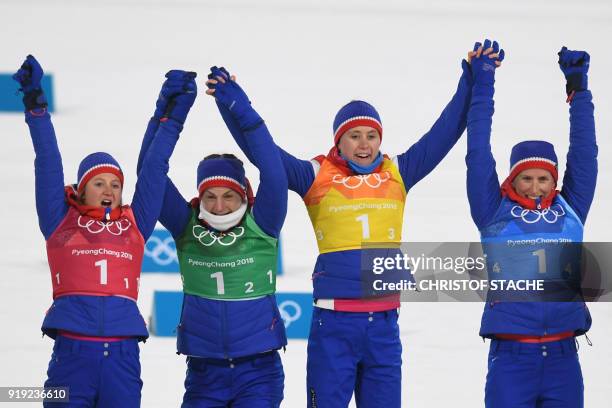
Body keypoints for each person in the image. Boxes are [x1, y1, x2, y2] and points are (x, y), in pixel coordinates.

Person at [208, 40, 485, 406]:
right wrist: (231, 103)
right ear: (339, 140)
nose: (364, 144)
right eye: (354, 135)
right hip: (333, 325)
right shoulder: (314, 174)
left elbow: (445, 131)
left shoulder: (399, 172)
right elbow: (262, 153)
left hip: (384, 325)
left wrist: (472, 79)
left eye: (371, 135)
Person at [13, 55, 196, 407]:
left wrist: (172, 115)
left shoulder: (135, 223)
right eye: (99, 183)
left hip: (123, 357)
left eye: (115, 183)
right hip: (70, 357)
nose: (109, 190)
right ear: (81, 189)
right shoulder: (59, 220)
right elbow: (47, 160)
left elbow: (155, 167)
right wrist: (35, 106)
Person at [137, 69, 288, 407]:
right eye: (210, 196)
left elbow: (274, 172)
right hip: (205, 376)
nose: (219, 206)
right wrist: (168, 115)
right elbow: (148, 175)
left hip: (258, 373)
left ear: (243, 196)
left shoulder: (263, 223)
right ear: (200, 198)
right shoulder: (185, 225)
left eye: (228, 196)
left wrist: (242, 110)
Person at [465, 43, 596, 407]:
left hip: (563, 359)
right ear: (512, 178)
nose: (536, 186)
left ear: (554, 181)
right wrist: (483, 85)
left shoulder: (570, 209)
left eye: (544, 179)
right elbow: (478, 153)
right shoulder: (493, 212)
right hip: (511, 358)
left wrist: (578, 91)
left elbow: (585, 154)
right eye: (526, 178)